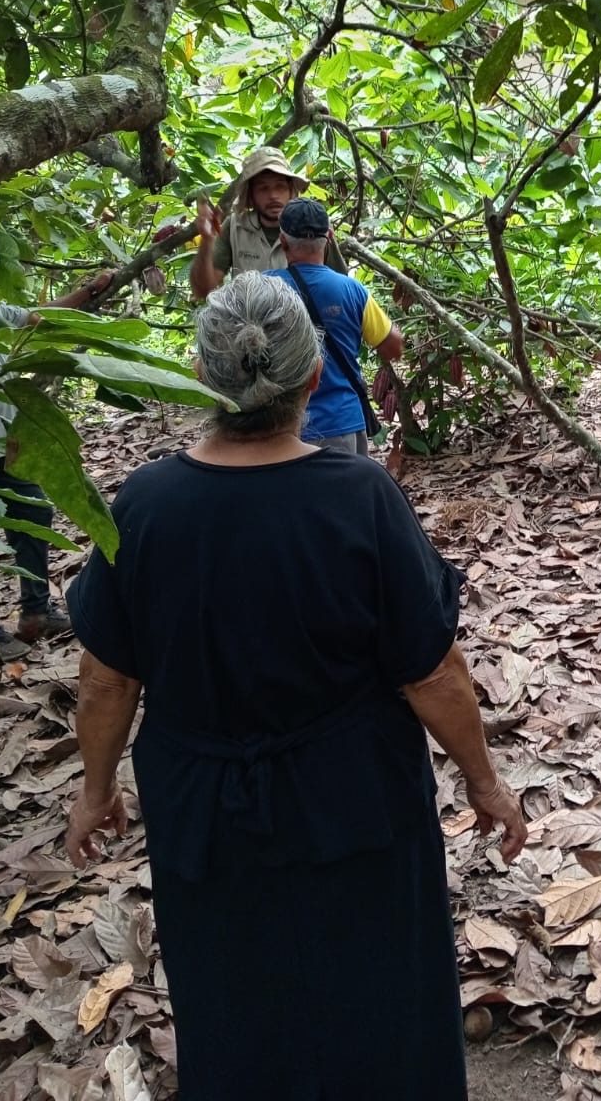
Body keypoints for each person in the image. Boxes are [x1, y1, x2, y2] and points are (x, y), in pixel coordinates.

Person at [64, 271, 526, 1100]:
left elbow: (106, 679)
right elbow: (432, 671)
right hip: (353, 794)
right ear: (314, 376)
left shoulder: (145, 504)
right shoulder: (360, 495)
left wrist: (95, 790)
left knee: (231, 991)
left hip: (204, 801)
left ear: (201, 376)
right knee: (380, 987)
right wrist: (484, 781)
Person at [0, 271, 112, 646]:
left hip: (7, 447)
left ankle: (36, 611)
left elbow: (41, 314)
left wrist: (90, 289)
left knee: (34, 513)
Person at [274, 196, 404, 454]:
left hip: (279, 426)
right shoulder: (353, 291)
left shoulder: (263, 288)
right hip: (341, 422)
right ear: (330, 238)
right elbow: (393, 346)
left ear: (283, 241)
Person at [190, 144, 345, 299]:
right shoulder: (235, 227)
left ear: (291, 190)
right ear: (250, 194)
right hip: (248, 315)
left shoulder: (314, 224)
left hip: (300, 315)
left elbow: (339, 287)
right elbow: (203, 290)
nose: (273, 196)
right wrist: (207, 241)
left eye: (280, 187)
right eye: (263, 188)